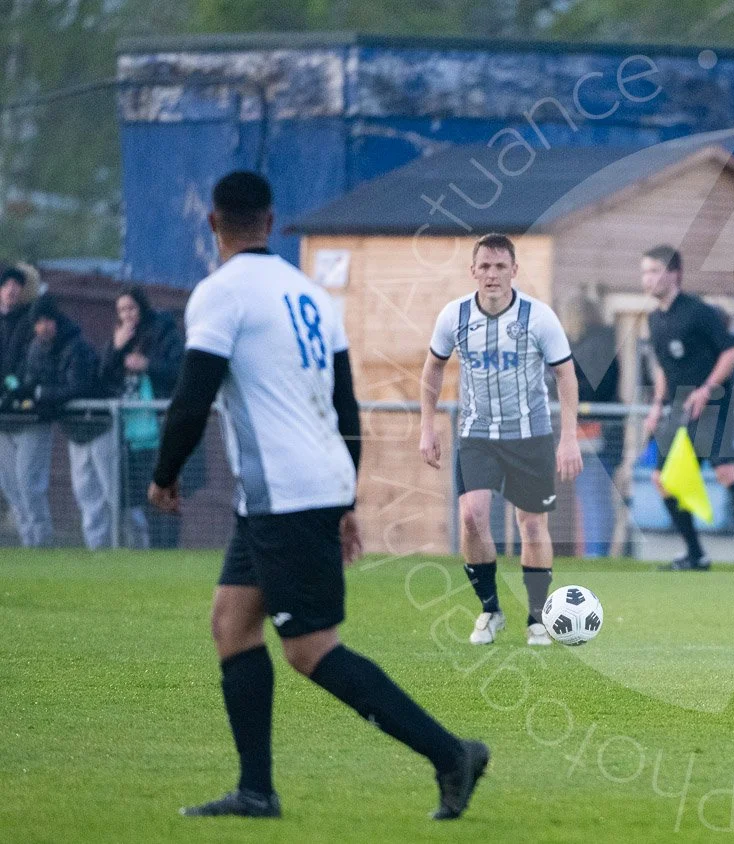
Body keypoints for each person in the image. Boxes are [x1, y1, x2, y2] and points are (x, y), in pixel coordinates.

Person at [150, 171, 487, 820]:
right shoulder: (310, 295)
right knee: (232, 624)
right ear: (272, 223)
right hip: (293, 491)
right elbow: (344, 406)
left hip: (288, 495)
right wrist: (347, 498)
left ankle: (450, 755)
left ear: (214, 224)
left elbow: (192, 397)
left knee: (310, 649)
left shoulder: (220, 295)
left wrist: (166, 475)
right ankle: (255, 791)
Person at [421, 233, 583, 646]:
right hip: (477, 435)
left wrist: (569, 439)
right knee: (472, 516)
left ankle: (536, 618)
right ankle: (490, 610)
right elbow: (432, 370)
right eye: (485, 266)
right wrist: (427, 427)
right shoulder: (453, 316)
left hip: (530, 436)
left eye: (500, 266)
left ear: (514, 270)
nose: (492, 274)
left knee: (531, 526)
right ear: (473, 271)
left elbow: (565, 374)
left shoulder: (539, 317)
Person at [638, 244, 734, 571]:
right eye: (644, 271)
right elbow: (664, 369)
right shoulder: (654, 320)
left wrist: (706, 389)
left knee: (725, 470)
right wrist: (657, 406)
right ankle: (695, 554)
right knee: (662, 478)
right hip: (678, 407)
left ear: (673, 273)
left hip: (713, 404)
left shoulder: (698, 311)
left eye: (653, 271)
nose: (646, 278)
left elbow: (733, 351)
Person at [20, 295, 111, 550]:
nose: (43, 326)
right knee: (85, 492)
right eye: (38, 322)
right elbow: (33, 381)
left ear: (56, 320)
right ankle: (99, 550)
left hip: (100, 425)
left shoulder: (76, 346)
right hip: (75, 430)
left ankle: (133, 546)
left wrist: (41, 394)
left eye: (48, 320)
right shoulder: (37, 348)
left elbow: (78, 387)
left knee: (113, 491)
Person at [99, 286, 184, 549]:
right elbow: (103, 376)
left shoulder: (164, 331)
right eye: (122, 310)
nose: (127, 315)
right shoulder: (121, 337)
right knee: (135, 497)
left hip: (159, 427)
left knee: (163, 491)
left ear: (142, 307)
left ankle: (167, 549)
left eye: (131, 308)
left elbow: (179, 370)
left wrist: (147, 365)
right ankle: (144, 549)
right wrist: (116, 348)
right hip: (130, 432)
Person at [562, 294, 622, 559]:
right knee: (595, 498)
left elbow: (591, 389)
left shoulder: (590, 347)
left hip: (595, 431)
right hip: (604, 431)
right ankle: (595, 551)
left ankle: (596, 554)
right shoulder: (605, 343)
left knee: (593, 498)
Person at [0, 263, 50, 547]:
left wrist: (14, 388)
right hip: (3, 420)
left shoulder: (29, 323)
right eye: (6, 285)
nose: (10, 291)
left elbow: (28, 367)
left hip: (27, 418)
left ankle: (40, 545)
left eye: (16, 286)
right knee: (11, 486)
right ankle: (28, 542)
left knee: (29, 484)